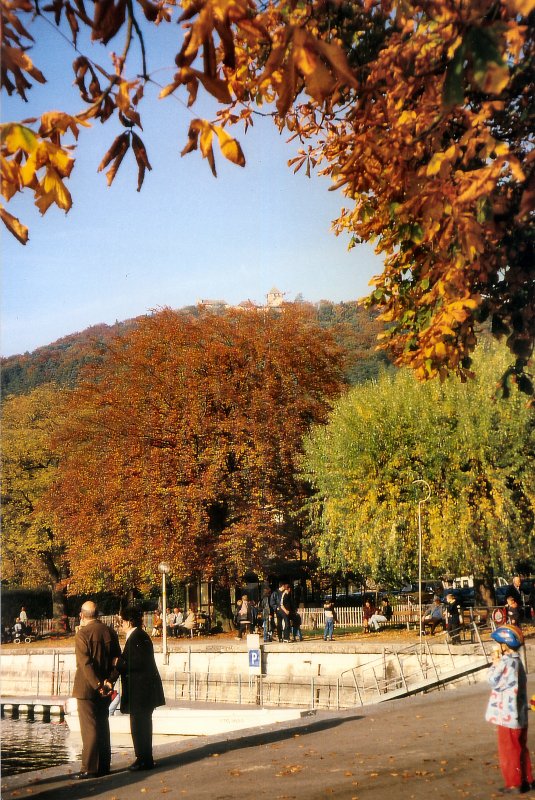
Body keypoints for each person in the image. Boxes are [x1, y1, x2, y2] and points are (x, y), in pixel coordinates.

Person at [107, 607, 165, 772]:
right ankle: (145, 757)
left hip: (140, 691)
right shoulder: (138, 635)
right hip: (142, 690)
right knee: (142, 725)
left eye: (122, 621)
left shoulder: (136, 637)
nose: (120, 625)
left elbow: (134, 664)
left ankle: (143, 759)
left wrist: (117, 663)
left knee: (139, 726)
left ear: (128, 621)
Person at [72, 600, 121, 779]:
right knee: (102, 724)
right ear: (98, 614)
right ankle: (104, 766)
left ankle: (89, 768)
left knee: (89, 728)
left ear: (82, 615)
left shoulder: (82, 634)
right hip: (106, 686)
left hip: (86, 688)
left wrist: (97, 685)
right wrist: (109, 681)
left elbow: (85, 664)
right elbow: (118, 660)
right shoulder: (110, 632)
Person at [485, 625, 533, 795]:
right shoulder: (517, 661)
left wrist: (494, 664)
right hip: (519, 714)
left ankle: (514, 782)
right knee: (521, 747)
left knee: (508, 750)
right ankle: (527, 779)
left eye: (498, 643)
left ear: (504, 644)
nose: (496, 646)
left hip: (507, 715)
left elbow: (493, 680)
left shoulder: (506, 663)